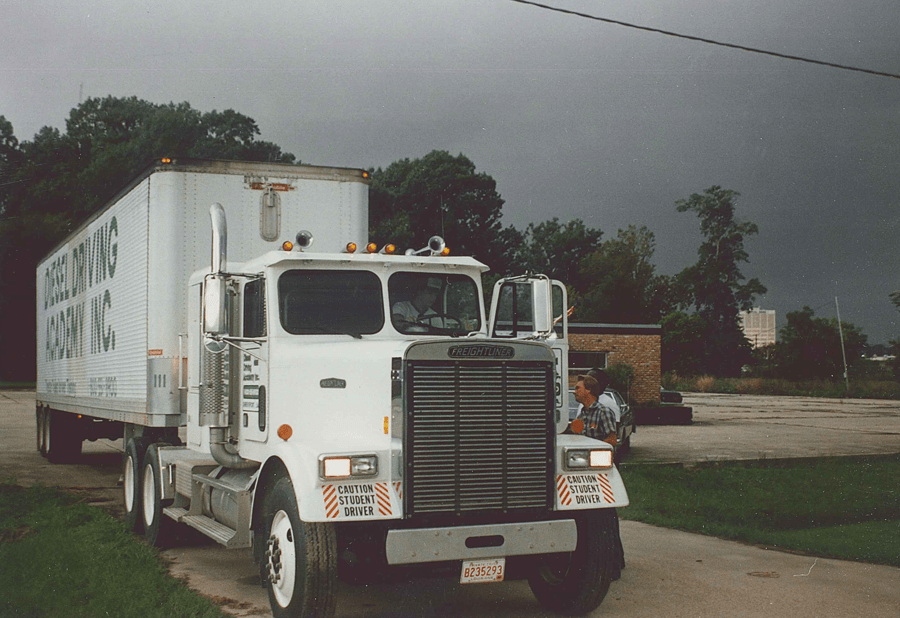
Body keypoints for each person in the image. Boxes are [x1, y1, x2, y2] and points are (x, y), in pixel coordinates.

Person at [572, 374, 617, 446]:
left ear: (588, 389)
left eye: (578, 388)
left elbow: (612, 440)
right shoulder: (581, 415)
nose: (574, 392)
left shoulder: (604, 412)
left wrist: (592, 449)